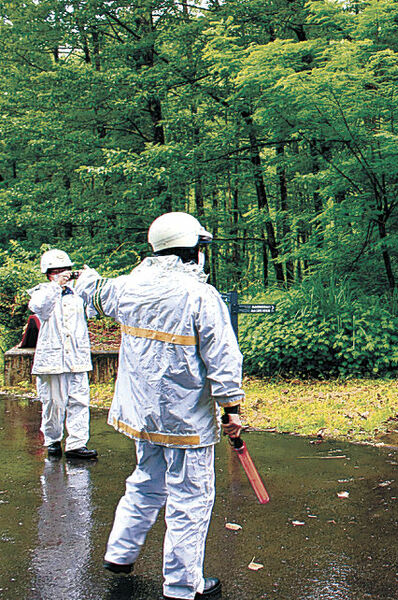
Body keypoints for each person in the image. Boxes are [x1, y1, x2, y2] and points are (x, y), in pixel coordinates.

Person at [74, 212, 243, 600]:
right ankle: (184, 586)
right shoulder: (200, 295)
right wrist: (231, 407)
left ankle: (120, 553)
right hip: (186, 419)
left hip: (142, 413)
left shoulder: (129, 287)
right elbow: (222, 357)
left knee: (146, 482)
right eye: (201, 248)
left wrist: (85, 278)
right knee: (190, 497)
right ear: (191, 251)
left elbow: (94, 293)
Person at [28, 249, 98, 460]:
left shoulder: (78, 293)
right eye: (56, 271)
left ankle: (77, 444)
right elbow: (39, 307)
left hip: (77, 358)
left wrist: (90, 279)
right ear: (48, 274)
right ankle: (52, 440)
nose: (63, 274)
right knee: (53, 404)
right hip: (52, 360)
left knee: (79, 401)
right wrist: (56, 286)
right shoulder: (42, 292)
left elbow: (94, 310)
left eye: (65, 270)